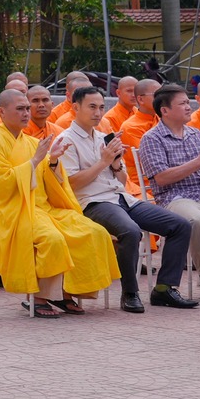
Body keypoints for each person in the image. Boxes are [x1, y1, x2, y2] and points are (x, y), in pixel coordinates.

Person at [0, 88, 117, 317]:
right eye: (20, 109)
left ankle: (66, 293)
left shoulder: (33, 142)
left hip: (45, 208)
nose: (26, 113)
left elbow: (50, 180)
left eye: (27, 108)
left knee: (93, 232)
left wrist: (52, 160)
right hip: (17, 210)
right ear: (1, 112)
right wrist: (35, 160)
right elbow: (3, 184)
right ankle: (39, 297)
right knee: (53, 239)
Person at [56, 86, 164, 313]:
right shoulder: (66, 140)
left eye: (101, 107)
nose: (98, 113)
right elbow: (72, 183)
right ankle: (130, 293)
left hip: (120, 197)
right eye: (92, 107)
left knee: (179, 225)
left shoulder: (104, 137)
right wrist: (103, 162)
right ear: (75, 107)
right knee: (131, 231)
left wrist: (114, 163)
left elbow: (122, 179)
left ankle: (165, 288)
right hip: (92, 202)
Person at [127, 85, 200, 308]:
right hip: (175, 197)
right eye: (183, 103)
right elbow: (161, 179)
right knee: (196, 220)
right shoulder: (152, 138)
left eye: (188, 102)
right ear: (165, 110)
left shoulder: (196, 134)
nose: (189, 107)